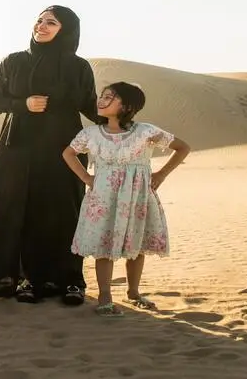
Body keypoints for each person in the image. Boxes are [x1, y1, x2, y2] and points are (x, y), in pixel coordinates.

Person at [0, 5, 100, 306]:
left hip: (63, 148)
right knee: (12, 207)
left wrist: (122, 122)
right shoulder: (13, 61)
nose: (42, 26)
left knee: (63, 210)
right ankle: (22, 278)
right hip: (17, 146)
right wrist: (22, 104)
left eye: (51, 23)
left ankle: (69, 280)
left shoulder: (79, 67)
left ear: (66, 30)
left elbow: (90, 104)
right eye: (39, 21)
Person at [63, 82, 191, 317]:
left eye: (109, 97)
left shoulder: (145, 131)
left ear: (127, 106)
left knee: (136, 243)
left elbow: (182, 147)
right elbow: (69, 153)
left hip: (136, 196)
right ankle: (104, 297)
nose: (101, 100)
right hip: (104, 197)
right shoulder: (91, 134)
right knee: (104, 245)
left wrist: (161, 174)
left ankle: (134, 292)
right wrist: (86, 178)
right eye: (102, 96)